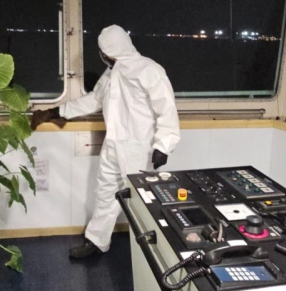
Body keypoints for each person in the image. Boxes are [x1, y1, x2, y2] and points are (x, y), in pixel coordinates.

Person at [31, 25, 180, 258]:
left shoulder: (149, 70)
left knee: (143, 199)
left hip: (139, 148)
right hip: (113, 145)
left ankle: (156, 250)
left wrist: (163, 146)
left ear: (110, 52)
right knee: (105, 192)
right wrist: (56, 112)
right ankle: (96, 240)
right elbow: (93, 100)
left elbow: (167, 110)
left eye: (103, 52)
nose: (102, 57)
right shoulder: (112, 73)